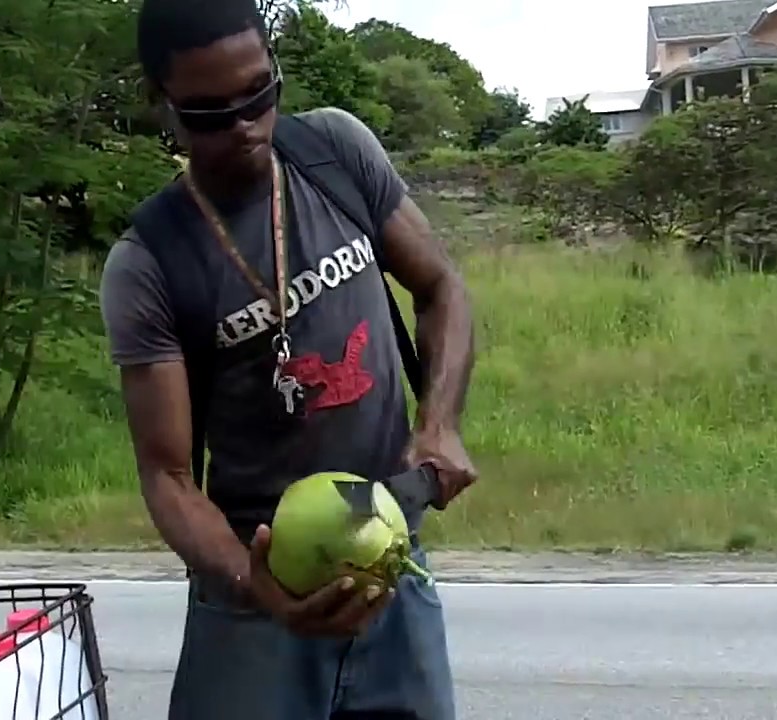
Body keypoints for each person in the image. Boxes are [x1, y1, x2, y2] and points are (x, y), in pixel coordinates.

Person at [99, 0, 478, 717]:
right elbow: (168, 474)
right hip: (252, 597)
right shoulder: (148, 262)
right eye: (210, 112)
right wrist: (250, 582)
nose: (246, 126)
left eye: (259, 94)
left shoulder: (335, 151)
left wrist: (440, 423)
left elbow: (441, 286)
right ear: (163, 106)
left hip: (389, 563)